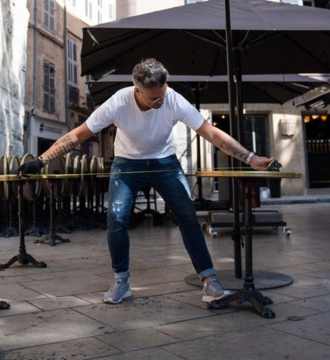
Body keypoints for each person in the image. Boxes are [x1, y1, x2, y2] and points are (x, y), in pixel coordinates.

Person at [19, 58, 277, 305]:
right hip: (127, 163)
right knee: (116, 218)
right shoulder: (119, 102)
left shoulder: (173, 99)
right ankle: (122, 282)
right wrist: (41, 161)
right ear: (138, 90)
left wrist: (250, 157)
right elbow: (77, 135)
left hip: (165, 162)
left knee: (187, 215)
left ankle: (209, 280)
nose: (162, 100)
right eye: (155, 97)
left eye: (163, 94)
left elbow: (212, 134)